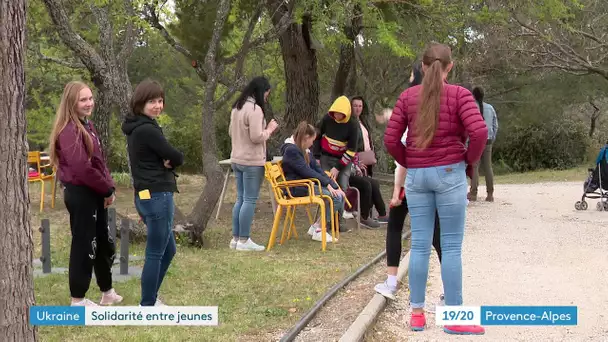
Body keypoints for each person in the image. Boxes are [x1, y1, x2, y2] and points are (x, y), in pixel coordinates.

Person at [384, 43, 488, 335]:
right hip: (449, 173)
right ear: (450, 67)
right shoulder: (460, 95)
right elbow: (479, 132)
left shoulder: (407, 97)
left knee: (418, 245)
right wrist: (467, 162)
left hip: (417, 177)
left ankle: (417, 314)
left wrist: (411, 161)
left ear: (424, 65)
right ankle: (454, 318)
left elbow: (391, 140)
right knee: (451, 247)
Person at [374, 63, 443, 310]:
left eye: (410, 76)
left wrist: (395, 192)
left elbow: (403, 159)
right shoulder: (435, 109)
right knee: (437, 236)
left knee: (395, 228)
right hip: (435, 180)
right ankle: (449, 289)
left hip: (411, 183)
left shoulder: (410, 112)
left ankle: (393, 284)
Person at [49, 81, 122, 307]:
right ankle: (77, 299)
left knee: (102, 242)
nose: (89, 103)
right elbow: (82, 168)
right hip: (80, 194)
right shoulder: (68, 131)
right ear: (72, 103)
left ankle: (107, 291)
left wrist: (109, 188)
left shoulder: (86, 125)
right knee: (84, 244)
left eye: (90, 98)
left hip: (95, 193)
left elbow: (99, 161)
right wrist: (104, 188)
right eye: (83, 100)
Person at [122, 79, 184, 306]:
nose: (158, 105)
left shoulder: (136, 126)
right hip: (157, 195)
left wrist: (167, 159)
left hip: (145, 196)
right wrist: (171, 160)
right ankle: (147, 304)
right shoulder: (147, 129)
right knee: (156, 253)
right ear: (140, 102)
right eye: (152, 101)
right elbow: (176, 156)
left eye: (160, 101)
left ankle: (151, 298)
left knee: (168, 250)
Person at [228, 76, 279, 251]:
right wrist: (270, 129)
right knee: (249, 200)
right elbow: (256, 137)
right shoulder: (255, 110)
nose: (266, 98)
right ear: (261, 91)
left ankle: (235, 238)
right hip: (252, 161)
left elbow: (230, 132)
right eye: (266, 94)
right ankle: (244, 240)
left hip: (236, 159)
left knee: (240, 199)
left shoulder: (237, 108)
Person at [281, 122, 346, 242]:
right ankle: (319, 229)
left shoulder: (304, 150)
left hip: (307, 185)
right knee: (336, 198)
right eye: (312, 140)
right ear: (306, 138)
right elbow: (306, 171)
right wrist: (326, 184)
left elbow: (317, 169)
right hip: (297, 187)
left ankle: (316, 227)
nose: (312, 143)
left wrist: (332, 185)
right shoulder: (291, 151)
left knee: (338, 195)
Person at [349, 96, 389, 228]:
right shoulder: (349, 123)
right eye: (355, 106)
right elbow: (351, 145)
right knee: (367, 184)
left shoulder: (363, 121)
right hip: (356, 160)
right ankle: (365, 216)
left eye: (360, 106)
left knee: (372, 182)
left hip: (366, 157)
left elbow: (367, 139)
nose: (358, 108)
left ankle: (381, 214)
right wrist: (356, 161)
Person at [468, 86, 498, 202]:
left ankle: (473, 193)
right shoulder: (490, 108)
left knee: (475, 166)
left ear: (473, 96)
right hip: (488, 140)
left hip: (475, 140)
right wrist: (492, 137)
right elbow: (495, 125)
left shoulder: (471, 108)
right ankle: (490, 194)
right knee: (488, 167)